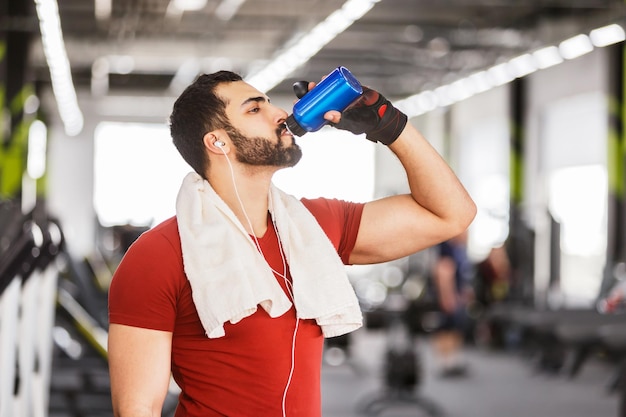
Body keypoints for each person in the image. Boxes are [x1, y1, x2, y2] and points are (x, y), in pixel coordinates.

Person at [107, 70, 476, 417]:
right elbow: (137, 409)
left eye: (269, 103)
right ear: (217, 141)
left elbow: (452, 215)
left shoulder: (313, 228)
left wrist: (389, 124)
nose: (279, 113)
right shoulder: (160, 255)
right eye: (255, 108)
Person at [430, 230, 475, 377]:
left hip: (456, 295)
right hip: (449, 296)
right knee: (447, 327)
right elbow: (443, 272)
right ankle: (446, 361)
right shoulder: (447, 248)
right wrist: (447, 296)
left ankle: (452, 360)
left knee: (455, 327)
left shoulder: (459, 249)